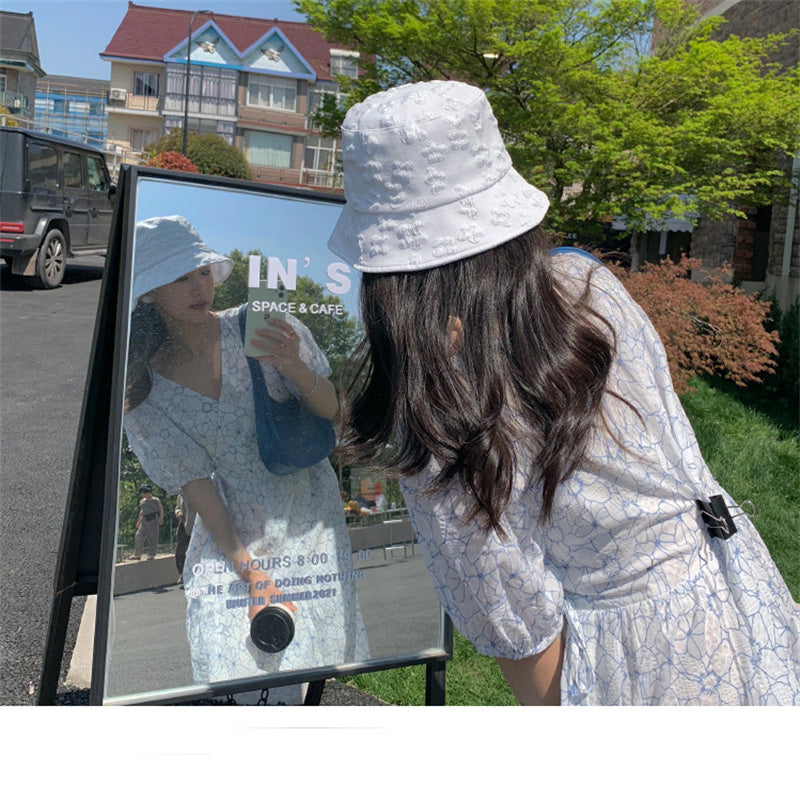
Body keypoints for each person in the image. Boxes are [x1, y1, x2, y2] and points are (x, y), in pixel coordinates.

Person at [329, 80, 800, 705]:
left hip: (644, 669)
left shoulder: (441, 401)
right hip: (739, 597)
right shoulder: (587, 284)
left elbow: (521, 636)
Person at [123, 215, 369, 700]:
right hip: (233, 525)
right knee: (234, 658)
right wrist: (250, 572)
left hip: (307, 512)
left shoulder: (259, 327)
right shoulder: (142, 390)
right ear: (148, 292)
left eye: (201, 272)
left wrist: (292, 365)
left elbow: (333, 412)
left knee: (304, 654)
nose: (200, 286)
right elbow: (198, 489)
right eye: (180, 276)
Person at [133, 484, 163, 560]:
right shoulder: (142, 501)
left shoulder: (155, 500)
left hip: (153, 519)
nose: (142, 494)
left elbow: (161, 509)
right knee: (139, 535)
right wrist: (138, 522)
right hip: (144, 520)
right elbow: (141, 512)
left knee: (152, 537)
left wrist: (161, 518)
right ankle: (137, 554)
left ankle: (151, 554)